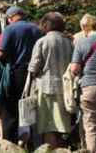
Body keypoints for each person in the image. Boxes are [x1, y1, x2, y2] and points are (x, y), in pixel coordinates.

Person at [28, 12, 75, 148]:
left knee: (49, 125)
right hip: (65, 88)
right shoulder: (68, 42)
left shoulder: (42, 42)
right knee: (61, 127)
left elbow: (33, 67)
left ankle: (50, 150)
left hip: (46, 87)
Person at [69, 13, 96, 153]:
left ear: (85, 28)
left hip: (88, 87)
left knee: (91, 128)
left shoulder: (81, 44)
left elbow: (75, 69)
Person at [0, 5, 43, 142]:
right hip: (35, 73)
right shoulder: (37, 28)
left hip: (16, 72)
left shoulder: (10, 29)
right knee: (32, 107)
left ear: (11, 17)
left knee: (11, 110)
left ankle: (9, 143)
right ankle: (33, 142)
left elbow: (1, 53)